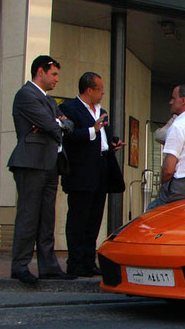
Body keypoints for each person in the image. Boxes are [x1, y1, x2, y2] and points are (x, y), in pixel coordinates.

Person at [8, 55, 76, 284]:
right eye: (54, 74)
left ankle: (48, 266)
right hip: (31, 162)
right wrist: (56, 123)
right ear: (40, 72)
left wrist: (57, 123)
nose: (57, 79)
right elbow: (51, 124)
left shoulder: (47, 100)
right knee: (28, 215)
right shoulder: (26, 95)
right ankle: (20, 265)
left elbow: (67, 125)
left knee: (47, 216)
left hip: (50, 163)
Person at [59, 72, 126, 277]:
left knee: (95, 217)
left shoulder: (102, 110)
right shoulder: (69, 109)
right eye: (100, 89)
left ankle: (89, 260)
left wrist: (111, 145)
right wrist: (93, 129)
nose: (103, 92)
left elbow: (101, 137)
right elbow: (69, 137)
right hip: (81, 171)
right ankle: (75, 262)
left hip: (101, 167)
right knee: (79, 217)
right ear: (89, 90)